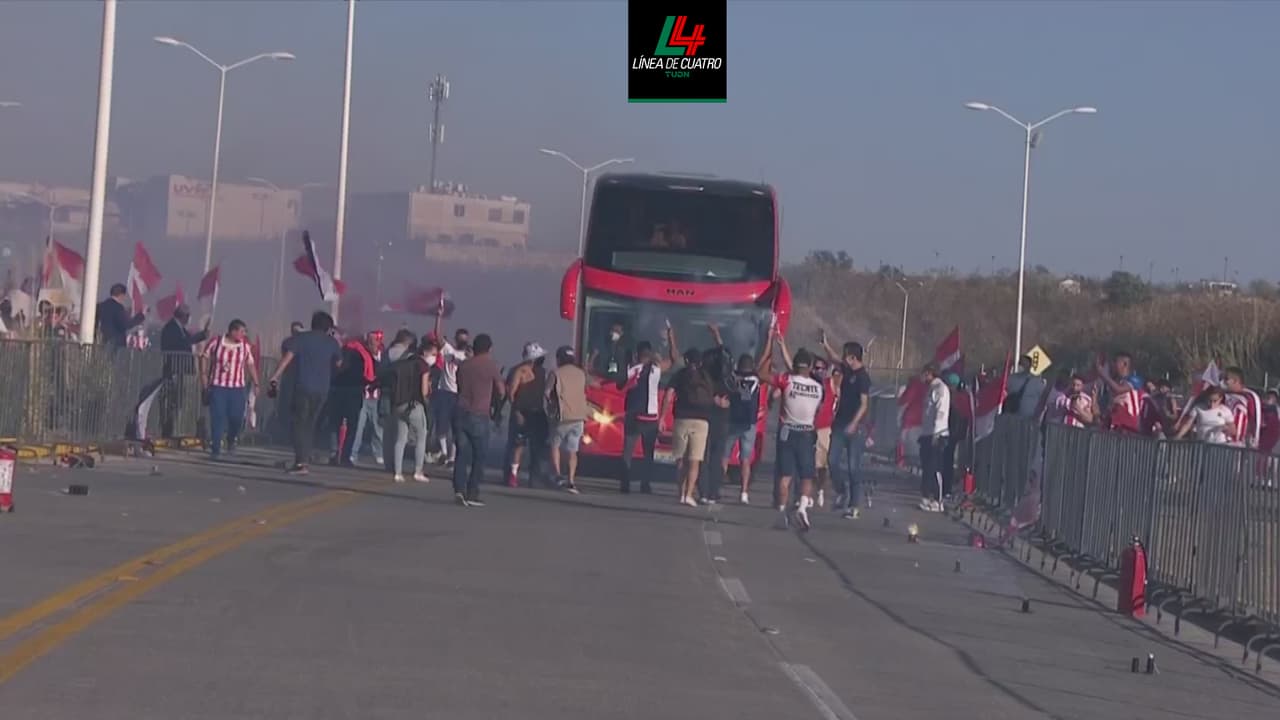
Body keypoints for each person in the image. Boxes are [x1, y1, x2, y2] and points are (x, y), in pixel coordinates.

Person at [267, 311, 342, 475]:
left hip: (303, 387)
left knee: (299, 424)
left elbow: (287, 358)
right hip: (322, 390)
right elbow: (339, 364)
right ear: (328, 328)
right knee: (310, 424)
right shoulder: (331, 343)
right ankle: (304, 459)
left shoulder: (301, 339)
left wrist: (275, 376)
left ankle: (301, 462)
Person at [769, 329, 825, 530]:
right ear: (810, 366)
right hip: (807, 432)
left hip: (787, 430)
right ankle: (802, 507)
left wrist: (777, 345)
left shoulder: (787, 380)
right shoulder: (818, 387)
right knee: (807, 475)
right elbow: (818, 409)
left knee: (785, 476)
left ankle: (781, 512)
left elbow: (778, 373)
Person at [616, 328, 676, 494]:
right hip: (650, 418)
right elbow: (673, 359)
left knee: (627, 451)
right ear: (650, 353)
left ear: (637, 354)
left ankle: (625, 483)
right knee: (648, 453)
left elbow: (619, 384)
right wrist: (671, 338)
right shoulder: (656, 369)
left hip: (633, 416)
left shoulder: (632, 369)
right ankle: (645, 484)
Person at [821, 336, 871, 519]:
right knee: (832, 460)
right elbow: (834, 358)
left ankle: (854, 505)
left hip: (855, 428)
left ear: (853, 358)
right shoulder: (847, 370)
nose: (842, 358)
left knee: (853, 467)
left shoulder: (863, 378)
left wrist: (854, 423)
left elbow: (864, 404)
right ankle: (841, 491)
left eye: (845, 355)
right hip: (839, 424)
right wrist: (825, 344)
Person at [452, 333, 504, 507]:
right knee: (479, 456)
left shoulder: (464, 365)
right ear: (489, 349)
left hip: (460, 411)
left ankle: (459, 489)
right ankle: (472, 492)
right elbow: (501, 390)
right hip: (479, 414)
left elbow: (459, 385)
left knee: (461, 453)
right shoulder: (491, 366)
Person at [200, 319, 260, 461]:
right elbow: (204, 356)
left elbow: (250, 364)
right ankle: (215, 448)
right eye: (241, 331)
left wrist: (256, 383)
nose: (244, 334)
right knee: (218, 417)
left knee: (236, 418)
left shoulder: (244, 346)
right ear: (233, 331)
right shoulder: (216, 342)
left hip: (237, 388)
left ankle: (231, 439)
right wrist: (203, 375)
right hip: (218, 387)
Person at [669, 345, 721, 507]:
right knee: (694, 461)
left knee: (680, 460)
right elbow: (713, 397)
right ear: (700, 362)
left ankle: (680, 493)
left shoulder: (680, 375)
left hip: (681, 420)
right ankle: (689, 494)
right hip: (701, 422)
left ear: (686, 360)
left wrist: (663, 416)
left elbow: (669, 394)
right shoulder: (706, 377)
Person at [723, 335, 772, 505]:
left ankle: (717, 486)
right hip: (749, 423)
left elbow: (726, 355)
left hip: (733, 420)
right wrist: (769, 338)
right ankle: (744, 492)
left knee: (725, 456)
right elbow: (764, 357)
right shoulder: (755, 379)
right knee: (745, 459)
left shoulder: (733, 378)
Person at [381, 332, 431, 483]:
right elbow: (424, 391)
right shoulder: (422, 365)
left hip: (398, 403)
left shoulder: (399, 364)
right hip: (415, 405)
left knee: (400, 439)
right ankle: (418, 471)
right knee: (421, 437)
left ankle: (397, 472)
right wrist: (426, 404)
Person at [159, 304, 211, 439]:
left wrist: (203, 335)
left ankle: (173, 429)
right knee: (172, 402)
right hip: (174, 369)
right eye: (188, 316)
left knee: (179, 401)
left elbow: (188, 339)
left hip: (182, 370)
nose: (189, 318)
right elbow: (183, 342)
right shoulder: (171, 328)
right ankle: (168, 431)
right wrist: (200, 336)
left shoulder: (180, 329)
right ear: (183, 316)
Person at [502, 342, 550, 488]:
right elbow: (511, 393)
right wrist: (517, 410)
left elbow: (511, 393)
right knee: (520, 445)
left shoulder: (539, 372)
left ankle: (525, 476)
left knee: (528, 446)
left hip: (534, 412)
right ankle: (515, 475)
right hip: (525, 412)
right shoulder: (522, 371)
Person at [698, 324, 736, 504]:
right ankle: (712, 492)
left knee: (704, 456)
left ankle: (704, 492)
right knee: (715, 457)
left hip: (706, 419)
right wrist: (717, 336)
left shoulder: (704, 378)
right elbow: (725, 355)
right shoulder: (727, 380)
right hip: (720, 420)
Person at [329, 331, 377, 465]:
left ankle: (334, 454)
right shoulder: (364, 355)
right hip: (354, 391)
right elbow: (369, 376)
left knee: (335, 424)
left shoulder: (340, 351)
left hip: (336, 390)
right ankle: (345, 456)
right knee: (352, 425)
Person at [545, 345, 588, 493]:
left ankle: (558, 475)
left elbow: (547, 393)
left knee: (555, 445)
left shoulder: (556, 373)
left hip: (562, 416)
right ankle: (571, 480)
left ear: (559, 359)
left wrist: (550, 406)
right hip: (579, 417)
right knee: (572, 451)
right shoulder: (581, 373)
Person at [430, 325, 471, 466]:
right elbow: (438, 336)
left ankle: (451, 458)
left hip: (460, 395)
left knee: (457, 428)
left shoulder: (469, 358)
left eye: (464, 339)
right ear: (456, 339)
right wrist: (439, 317)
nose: (462, 341)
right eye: (460, 339)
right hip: (445, 393)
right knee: (441, 425)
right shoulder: (449, 351)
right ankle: (444, 452)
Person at [348, 330, 386, 465]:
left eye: (375, 340)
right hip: (363, 396)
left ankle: (379, 453)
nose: (372, 343)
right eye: (370, 341)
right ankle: (353, 453)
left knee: (378, 428)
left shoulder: (383, 356)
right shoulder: (361, 355)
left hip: (376, 397)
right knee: (358, 427)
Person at [917, 362, 950, 513]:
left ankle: (938, 499)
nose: (922, 376)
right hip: (927, 433)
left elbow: (940, 412)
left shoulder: (940, 389)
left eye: (924, 373)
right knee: (926, 467)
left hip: (937, 434)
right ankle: (926, 496)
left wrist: (936, 434)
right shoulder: (930, 388)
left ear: (930, 373)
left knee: (935, 467)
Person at [811, 356, 837, 509]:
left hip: (825, 429)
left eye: (821, 368)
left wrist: (826, 346)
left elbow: (838, 365)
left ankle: (820, 490)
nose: (818, 371)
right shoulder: (809, 382)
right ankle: (806, 494)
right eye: (816, 368)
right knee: (809, 463)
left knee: (822, 465)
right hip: (809, 428)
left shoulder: (830, 383)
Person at [1222, 366, 1262, 449]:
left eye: (1226, 379)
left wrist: (1254, 440)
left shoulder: (1249, 397)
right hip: (1219, 441)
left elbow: (1254, 419)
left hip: (1237, 444)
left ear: (1235, 381)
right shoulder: (1222, 395)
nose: (1223, 382)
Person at [95, 283, 145, 348]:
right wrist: (141, 315)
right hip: (114, 344)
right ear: (122, 295)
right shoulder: (118, 308)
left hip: (99, 343)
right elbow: (126, 324)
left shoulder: (99, 306)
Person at [1003, 355, 1047, 419]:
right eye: (1020, 363)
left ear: (1030, 366)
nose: (1022, 366)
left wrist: (1038, 415)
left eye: (1025, 364)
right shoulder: (1012, 379)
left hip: (1029, 417)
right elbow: (1005, 392)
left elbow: (1043, 399)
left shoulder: (1036, 381)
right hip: (1012, 415)